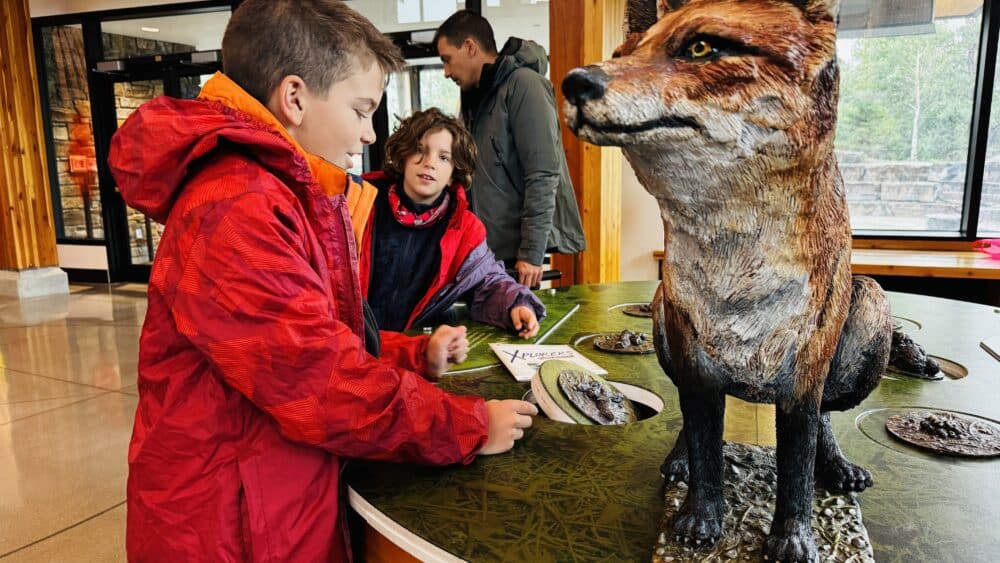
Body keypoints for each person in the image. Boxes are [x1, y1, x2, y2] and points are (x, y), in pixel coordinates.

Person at [107, 1, 536, 560]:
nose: (365, 134)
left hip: (268, 490)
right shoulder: (239, 206)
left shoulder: (282, 189)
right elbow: (318, 379)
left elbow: (313, 334)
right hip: (234, 520)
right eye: (361, 110)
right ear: (294, 98)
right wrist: (467, 426)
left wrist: (408, 356)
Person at [360, 108, 546, 338]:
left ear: (453, 174)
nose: (429, 163)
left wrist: (516, 304)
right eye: (420, 150)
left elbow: (487, 282)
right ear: (403, 156)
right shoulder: (357, 201)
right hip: (347, 342)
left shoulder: (465, 229)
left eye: (443, 157)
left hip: (413, 349)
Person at [434, 10, 586, 289]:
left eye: (447, 60)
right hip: (485, 251)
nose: (446, 72)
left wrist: (531, 252)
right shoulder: (474, 97)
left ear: (470, 47)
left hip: (517, 258)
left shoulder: (525, 85)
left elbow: (542, 174)